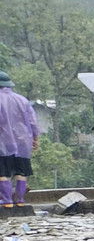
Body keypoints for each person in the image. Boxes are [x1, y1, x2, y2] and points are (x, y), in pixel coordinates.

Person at [0, 72, 40, 208]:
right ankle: (20, 200)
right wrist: (35, 138)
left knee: (2, 171)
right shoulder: (22, 100)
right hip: (23, 142)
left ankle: (6, 201)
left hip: (3, 142)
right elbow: (33, 121)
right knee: (21, 171)